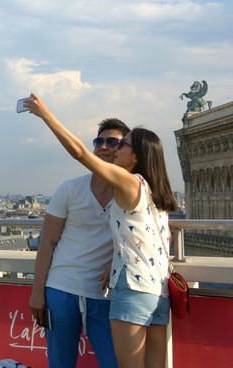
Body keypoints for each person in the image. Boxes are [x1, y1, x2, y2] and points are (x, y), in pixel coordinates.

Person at [25, 94, 177, 368]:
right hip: (158, 292)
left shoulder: (128, 183)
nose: (111, 149)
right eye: (102, 142)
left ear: (135, 156)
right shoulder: (157, 193)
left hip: (129, 290)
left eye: (120, 144)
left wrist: (45, 114)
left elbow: (79, 154)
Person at [29, 117, 130, 368]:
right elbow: (48, 242)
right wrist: (37, 291)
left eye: (112, 142)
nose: (103, 146)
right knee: (60, 363)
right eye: (99, 141)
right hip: (62, 288)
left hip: (105, 294)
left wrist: (115, 259)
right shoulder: (70, 189)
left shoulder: (131, 192)